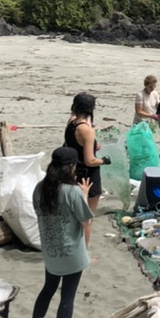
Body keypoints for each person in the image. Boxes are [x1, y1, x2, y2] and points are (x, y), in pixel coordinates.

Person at [31, 147, 94, 318]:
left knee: (48, 289)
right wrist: (85, 195)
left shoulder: (39, 188)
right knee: (67, 296)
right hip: (72, 253)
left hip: (51, 251)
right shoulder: (73, 192)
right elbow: (86, 221)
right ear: (72, 167)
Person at [64, 92, 110, 248]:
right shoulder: (87, 130)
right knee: (87, 218)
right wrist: (104, 160)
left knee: (72, 215)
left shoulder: (71, 122)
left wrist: (91, 145)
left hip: (71, 172)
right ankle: (83, 252)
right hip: (87, 176)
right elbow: (90, 161)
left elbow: (71, 145)